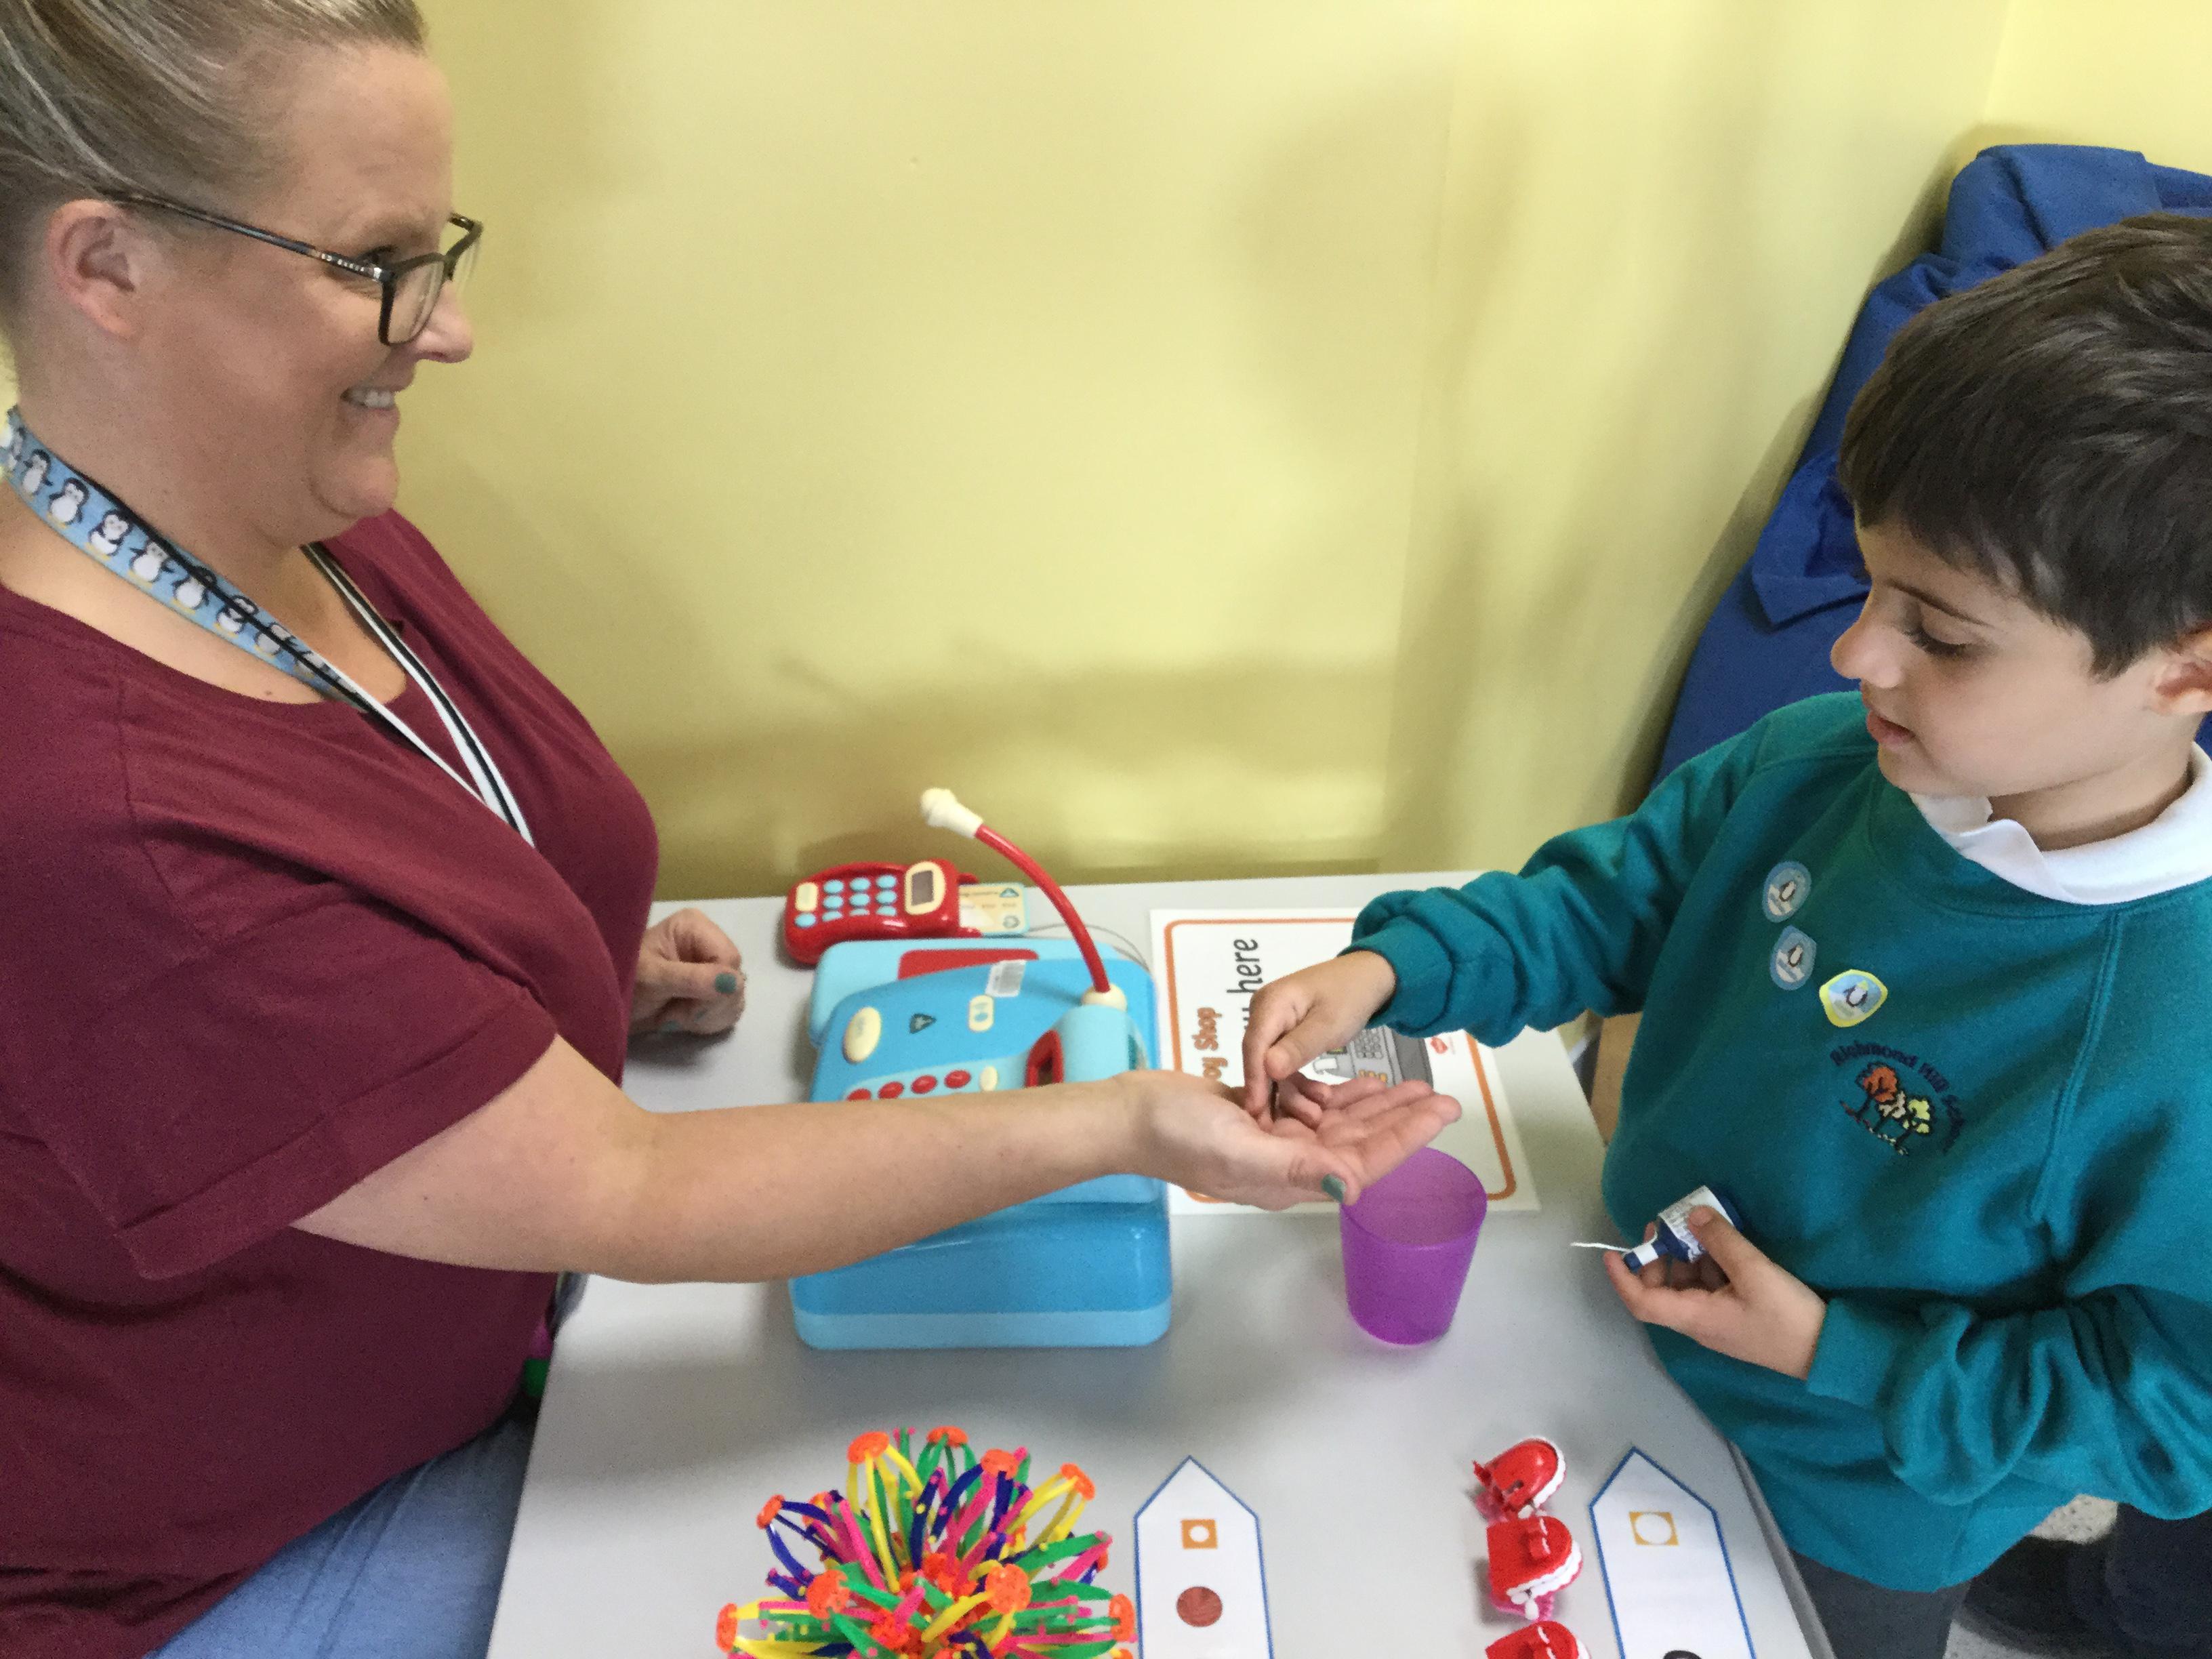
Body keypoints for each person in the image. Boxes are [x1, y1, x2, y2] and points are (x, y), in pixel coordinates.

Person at [0, 6, 1461, 1658]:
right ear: (108, 267)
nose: (450, 328)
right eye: (377, 265)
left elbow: (351, 895)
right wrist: (1124, 1123)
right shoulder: (86, 816)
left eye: (438, 252)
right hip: (245, 1541)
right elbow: (631, 1187)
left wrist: (534, 986)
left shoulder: (273, 518)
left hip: (493, 1333)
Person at [1244, 215, 2212, 1659]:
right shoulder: (1822, 757)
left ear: (2185, 670)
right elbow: (1613, 902)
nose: (1855, 652)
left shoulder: (2178, 1026)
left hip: (1852, 1504)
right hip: (1612, 1333)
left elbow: (2178, 1404)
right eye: (1871, 585)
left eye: (1942, 634)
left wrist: (1840, 1353)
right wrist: (1394, 968)